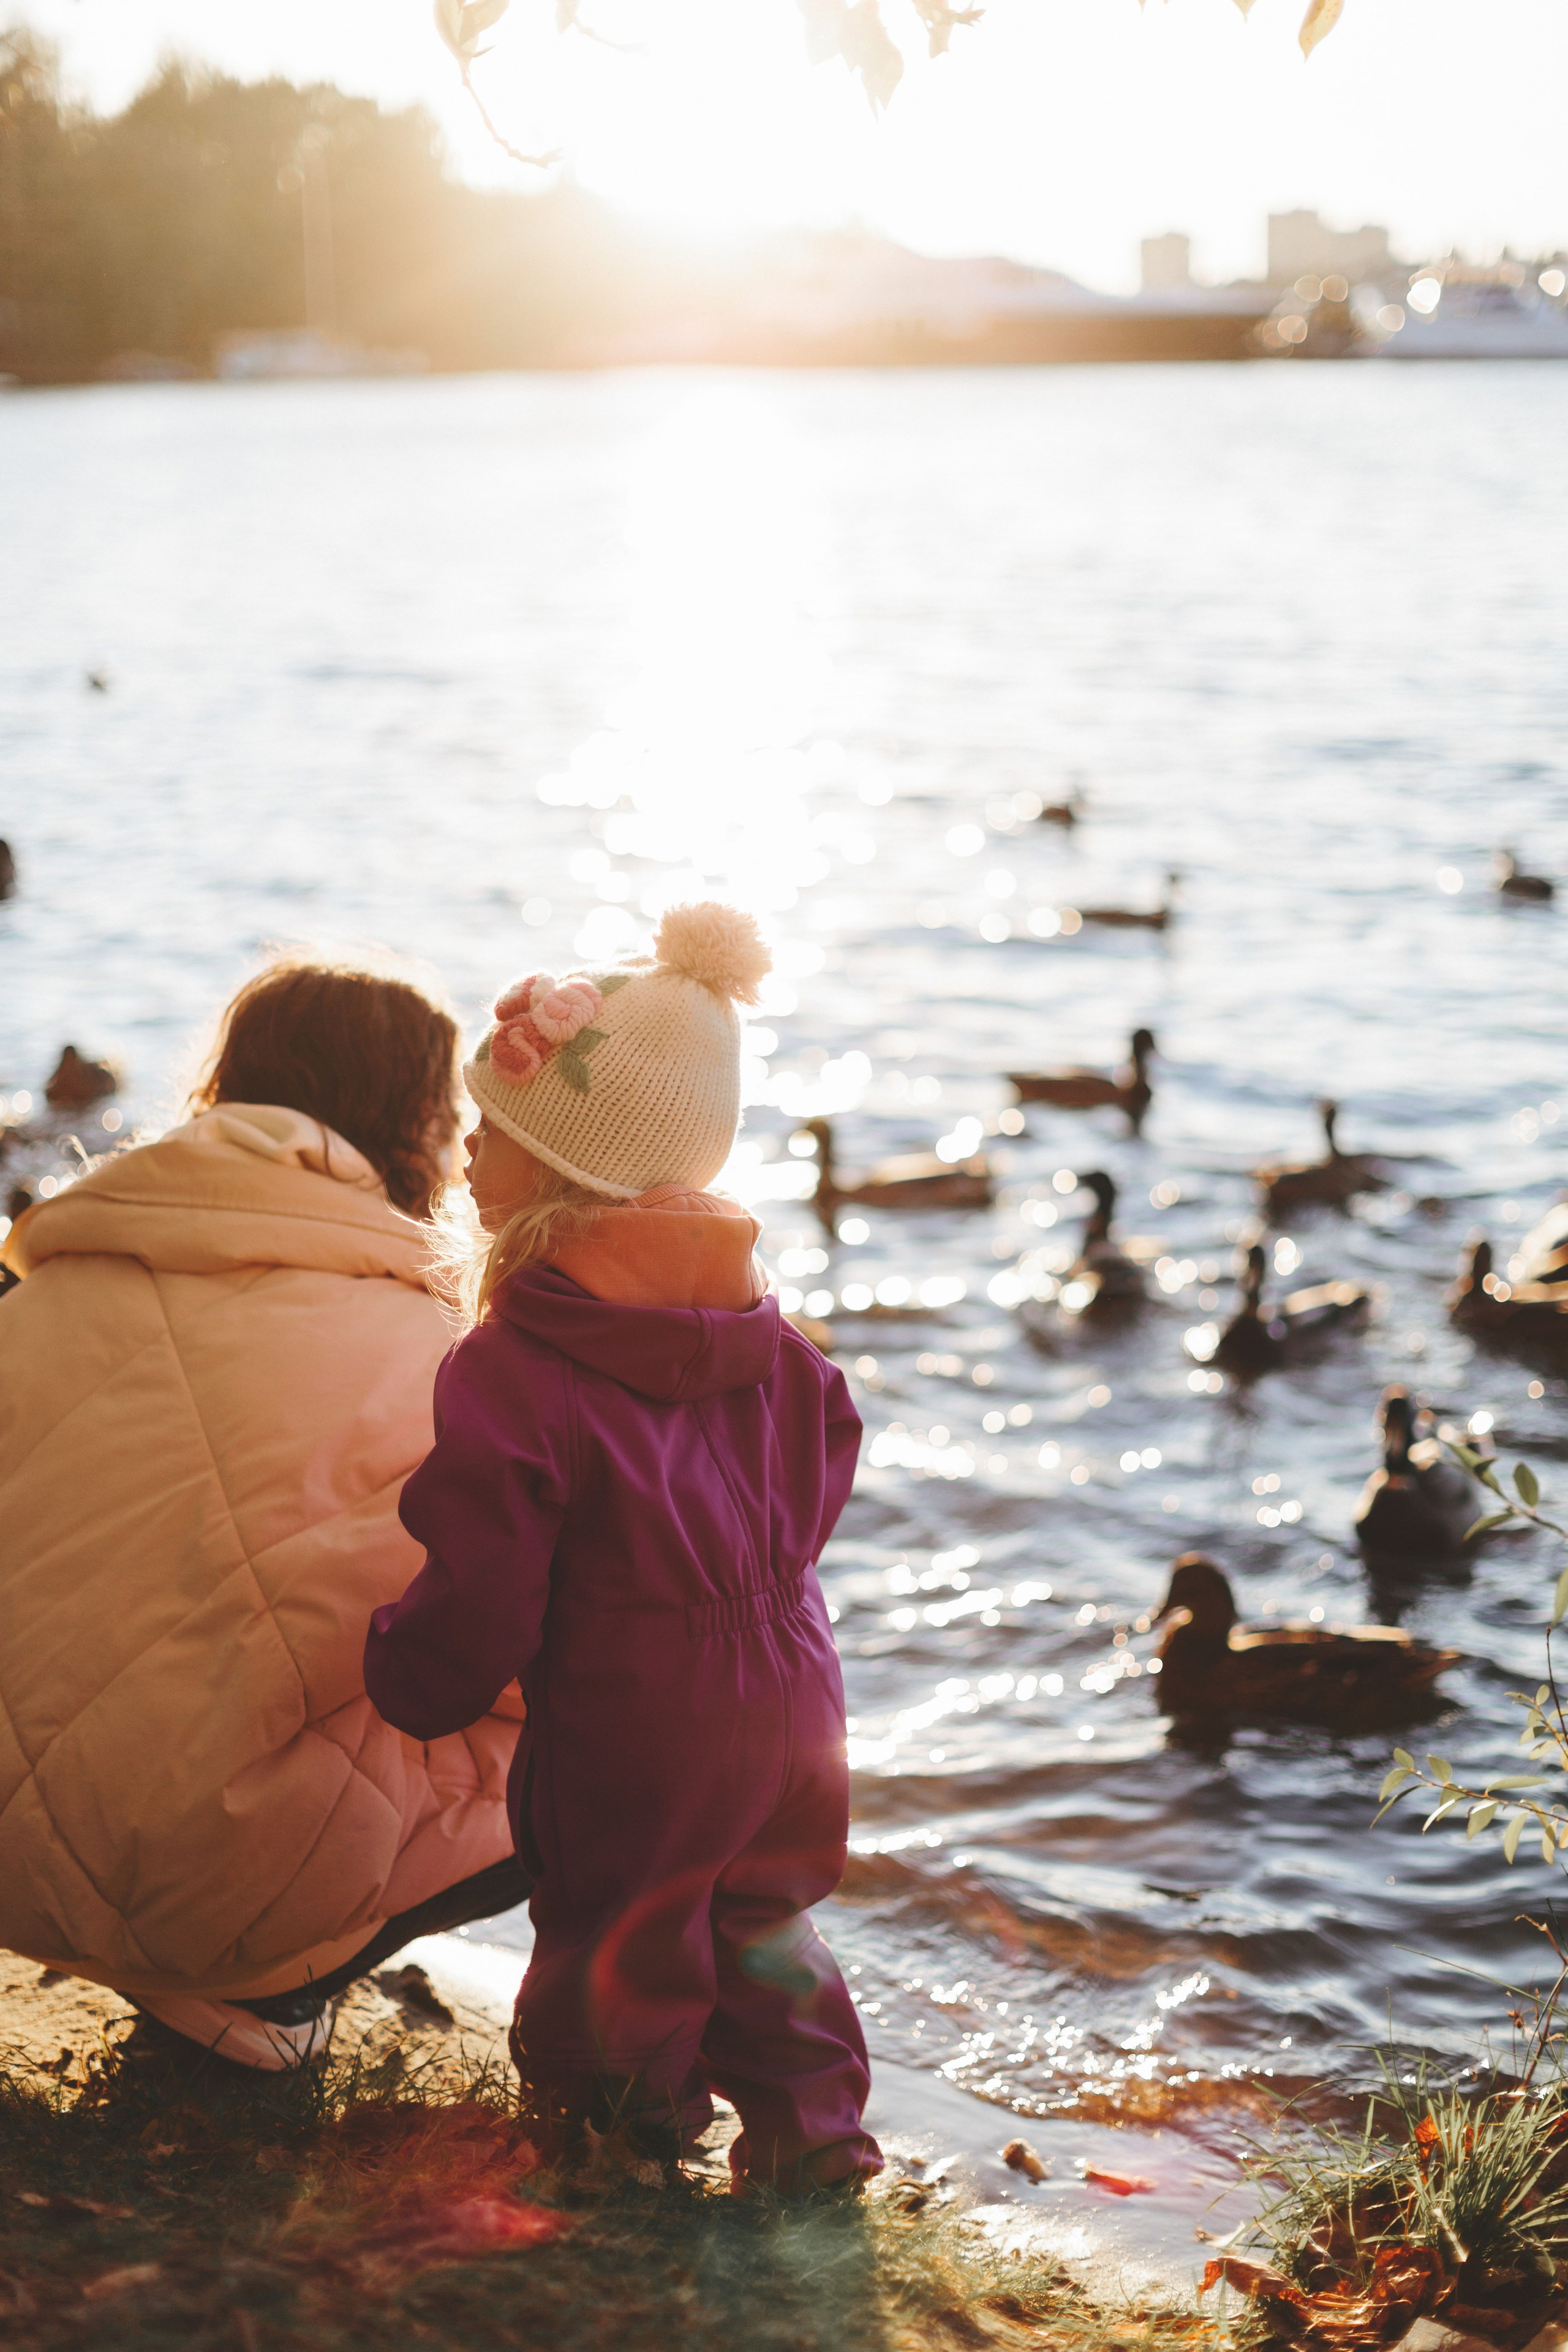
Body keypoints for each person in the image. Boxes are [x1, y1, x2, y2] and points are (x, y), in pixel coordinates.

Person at [363, 904, 882, 2192]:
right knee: (764, 1916)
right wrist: (751, 1590)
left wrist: (412, 1676)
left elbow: (484, 1581)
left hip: (637, 1714)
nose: (469, 1147)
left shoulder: (515, 1365)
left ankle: (621, 2141)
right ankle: (813, 2138)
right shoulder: (771, 1334)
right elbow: (827, 1458)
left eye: (496, 1130)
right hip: (795, 1690)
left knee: (619, 1934)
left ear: (560, 1170)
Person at [0, 957, 526, 2069]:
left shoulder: (41, 1289)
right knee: (609, 1714)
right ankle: (246, 1989)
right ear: (418, 1121)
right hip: (191, 1892)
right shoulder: (429, 1348)